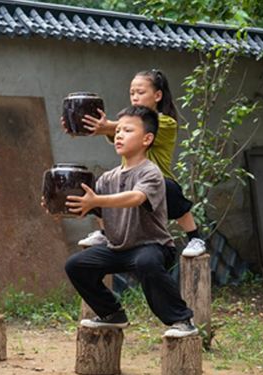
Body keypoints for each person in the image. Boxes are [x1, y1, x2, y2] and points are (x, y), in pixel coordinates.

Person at [59, 105, 198, 337]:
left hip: (153, 246)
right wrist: (60, 208)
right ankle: (112, 314)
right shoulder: (107, 178)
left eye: (128, 130)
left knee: (147, 262)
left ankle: (182, 320)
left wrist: (98, 200)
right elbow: (92, 207)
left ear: (147, 139)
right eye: (119, 130)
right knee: (76, 265)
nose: (120, 135)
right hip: (118, 248)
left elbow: (136, 197)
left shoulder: (150, 172)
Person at [68, 70, 206, 257]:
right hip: (131, 182)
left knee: (168, 188)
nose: (135, 97)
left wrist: (103, 126)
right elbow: (109, 129)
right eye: (132, 93)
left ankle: (194, 238)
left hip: (157, 183)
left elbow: (111, 127)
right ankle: (103, 233)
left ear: (157, 95)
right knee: (98, 187)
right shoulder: (127, 124)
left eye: (140, 92)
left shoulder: (165, 123)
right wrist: (77, 125)